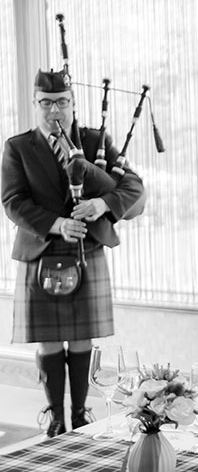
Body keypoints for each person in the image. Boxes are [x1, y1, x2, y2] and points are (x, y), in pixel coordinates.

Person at [1, 70, 145, 437]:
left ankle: (80, 415)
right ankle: (55, 419)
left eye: (62, 102)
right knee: (50, 341)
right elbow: (12, 202)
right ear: (35, 104)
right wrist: (57, 224)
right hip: (42, 250)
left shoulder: (96, 140)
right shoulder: (18, 147)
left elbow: (133, 188)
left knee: (82, 339)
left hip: (88, 248)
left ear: (73, 103)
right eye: (46, 103)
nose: (55, 111)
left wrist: (101, 203)